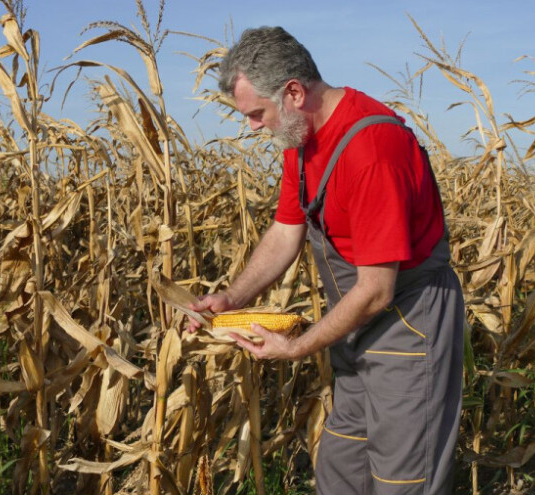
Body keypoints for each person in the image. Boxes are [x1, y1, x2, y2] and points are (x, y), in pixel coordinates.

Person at [186, 26, 465, 495]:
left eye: (257, 113)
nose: (253, 126)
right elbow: (285, 232)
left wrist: (296, 347)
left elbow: (376, 289)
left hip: (406, 328)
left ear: (294, 93)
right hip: (354, 332)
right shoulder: (301, 140)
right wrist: (232, 298)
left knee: (404, 480)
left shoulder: (372, 149)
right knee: (342, 470)